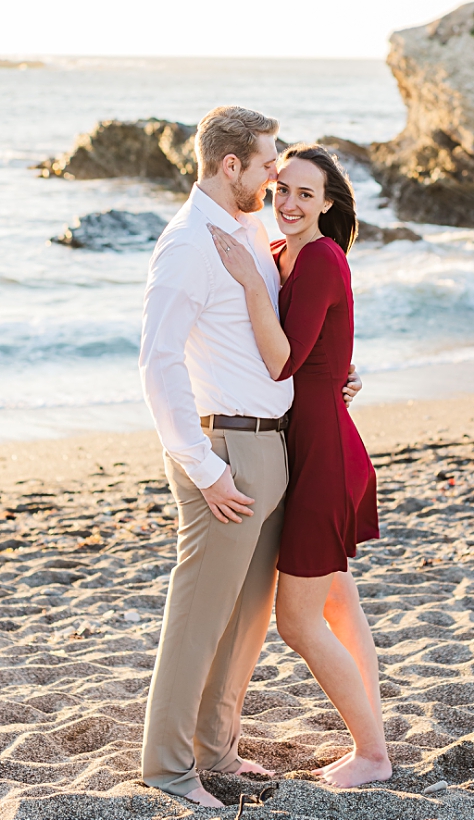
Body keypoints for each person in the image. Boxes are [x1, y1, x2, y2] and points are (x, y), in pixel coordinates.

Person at [137, 106, 361, 807]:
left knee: (246, 619)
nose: (276, 177)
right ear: (230, 165)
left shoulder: (249, 229)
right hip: (226, 450)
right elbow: (157, 363)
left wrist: (331, 375)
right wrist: (204, 466)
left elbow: (281, 338)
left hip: (273, 446)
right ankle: (170, 769)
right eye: (269, 165)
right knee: (199, 619)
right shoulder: (186, 246)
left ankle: (218, 751)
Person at [207, 143, 387, 788]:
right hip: (315, 441)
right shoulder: (285, 253)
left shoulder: (317, 257)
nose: (288, 202)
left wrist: (251, 283)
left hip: (322, 456)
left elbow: (283, 360)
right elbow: (316, 351)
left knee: (299, 621)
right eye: (282, 188)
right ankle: (375, 735)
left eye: (305, 195)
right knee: (339, 604)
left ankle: (371, 754)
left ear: (329, 204)